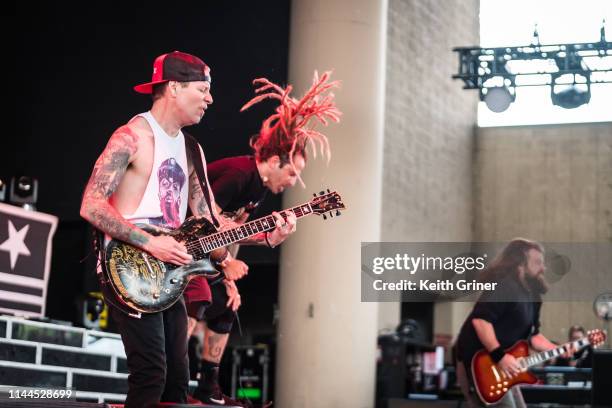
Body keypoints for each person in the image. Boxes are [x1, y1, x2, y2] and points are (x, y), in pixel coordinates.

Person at [80, 50, 253, 407]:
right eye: (203, 89)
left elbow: (209, 221)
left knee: (177, 380)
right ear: (173, 87)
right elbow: (91, 204)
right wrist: (150, 243)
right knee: (151, 376)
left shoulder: (192, 150)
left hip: (168, 275)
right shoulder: (131, 137)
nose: (210, 98)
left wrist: (265, 235)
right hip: (126, 267)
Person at [185, 72, 341, 406]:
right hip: (179, 249)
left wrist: (269, 238)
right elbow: (201, 221)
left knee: (225, 305)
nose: (294, 182)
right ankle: (170, 382)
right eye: (292, 172)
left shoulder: (259, 187)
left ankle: (207, 389)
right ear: (273, 161)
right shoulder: (240, 174)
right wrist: (225, 263)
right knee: (196, 300)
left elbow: (231, 230)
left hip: (204, 256)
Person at [454, 238, 570, 408]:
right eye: (537, 262)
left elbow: (534, 337)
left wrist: (559, 350)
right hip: (479, 363)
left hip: (501, 368)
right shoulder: (504, 286)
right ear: (520, 263)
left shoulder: (533, 297)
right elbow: (481, 321)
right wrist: (500, 356)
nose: (543, 268)